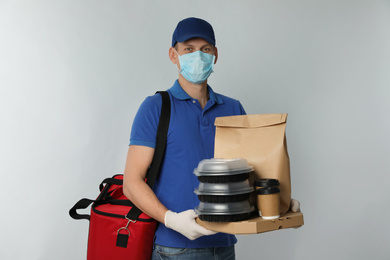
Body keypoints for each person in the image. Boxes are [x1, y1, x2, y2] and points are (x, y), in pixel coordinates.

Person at [123, 17, 300, 260]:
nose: (198, 56)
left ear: (215, 54)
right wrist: (171, 220)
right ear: (173, 55)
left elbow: (251, 174)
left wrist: (279, 202)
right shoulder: (156, 107)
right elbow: (131, 182)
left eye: (205, 49)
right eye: (188, 49)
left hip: (225, 245)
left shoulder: (233, 108)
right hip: (176, 248)